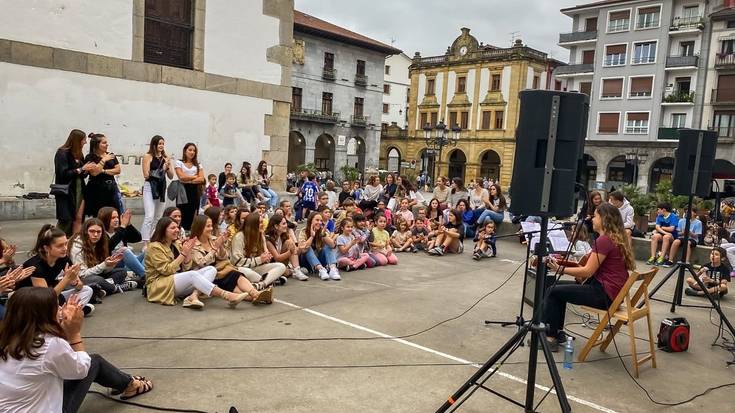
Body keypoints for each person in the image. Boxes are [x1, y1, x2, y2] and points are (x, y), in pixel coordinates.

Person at [0, 288, 154, 412]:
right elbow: (81, 370)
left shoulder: (8, 337)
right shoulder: (49, 344)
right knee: (94, 362)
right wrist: (74, 333)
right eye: (57, 307)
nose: (60, 309)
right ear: (45, 315)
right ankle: (131, 384)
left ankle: (128, 382)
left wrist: (61, 327)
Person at [545, 203, 635, 351]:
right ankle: (557, 332)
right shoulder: (616, 238)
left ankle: (550, 337)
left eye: (596, 216)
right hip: (612, 294)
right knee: (557, 288)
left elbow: (587, 271)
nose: (592, 219)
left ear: (604, 219)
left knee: (552, 290)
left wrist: (560, 268)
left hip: (603, 294)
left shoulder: (604, 240)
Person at [144, 217, 249, 308]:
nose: (177, 230)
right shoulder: (154, 247)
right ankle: (228, 296)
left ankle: (193, 296)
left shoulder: (176, 243)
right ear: (163, 230)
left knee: (211, 269)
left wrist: (187, 254)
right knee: (193, 275)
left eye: (177, 227)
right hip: (159, 285)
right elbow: (166, 270)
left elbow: (186, 268)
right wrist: (183, 254)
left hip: (176, 281)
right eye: (172, 228)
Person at [188, 215, 269, 305]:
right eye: (208, 226)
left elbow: (224, 257)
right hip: (205, 276)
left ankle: (255, 294)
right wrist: (215, 248)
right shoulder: (192, 244)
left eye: (211, 226)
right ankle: (254, 297)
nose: (211, 228)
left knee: (235, 275)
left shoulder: (213, 239)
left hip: (220, 272)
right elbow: (202, 263)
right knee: (229, 278)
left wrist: (221, 245)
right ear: (199, 227)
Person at [19, 225, 95, 315]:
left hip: (54, 297)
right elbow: (46, 298)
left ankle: (64, 313)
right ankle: (67, 313)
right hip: (33, 302)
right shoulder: (34, 266)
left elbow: (80, 287)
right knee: (49, 305)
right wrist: (66, 279)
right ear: (46, 248)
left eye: (66, 244)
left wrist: (74, 281)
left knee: (87, 290)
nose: (65, 248)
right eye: (60, 246)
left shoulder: (63, 258)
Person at [68, 218, 135, 297]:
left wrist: (110, 265)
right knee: (97, 280)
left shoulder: (101, 242)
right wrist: (104, 265)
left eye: (98, 232)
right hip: (80, 279)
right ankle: (115, 288)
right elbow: (82, 274)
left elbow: (103, 270)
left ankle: (101, 288)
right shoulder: (77, 246)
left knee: (121, 272)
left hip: (95, 274)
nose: (95, 235)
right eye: (92, 231)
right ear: (85, 231)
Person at [230, 213, 288, 289]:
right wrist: (260, 259)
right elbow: (237, 262)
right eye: (260, 222)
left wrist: (265, 253)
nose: (263, 224)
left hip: (256, 267)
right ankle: (269, 281)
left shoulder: (260, 235)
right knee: (249, 273)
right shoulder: (239, 237)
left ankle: (261, 284)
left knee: (281, 266)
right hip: (241, 268)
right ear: (253, 224)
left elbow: (264, 259)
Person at [54, 129, 94, 236]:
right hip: (67, 191)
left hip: (79, 189)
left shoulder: (78, 154)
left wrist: (86, 170)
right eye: (83, 140)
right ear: (77, 140)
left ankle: (75, 243)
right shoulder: (62, 153)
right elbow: (62, 174)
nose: (85, 142)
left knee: (79, 218)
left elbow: (82, 174)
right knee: (66, 219)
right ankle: (56, 240)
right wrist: (81, 169)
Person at [141, 135, 173, 244]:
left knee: (158, 217)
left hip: (161, 188)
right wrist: (161, 168)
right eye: (159, 143)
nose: (161, 146)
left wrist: (168, 166)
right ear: (154, 144)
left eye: (163, 144)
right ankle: (145, 242)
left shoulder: (165, 157)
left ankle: (153, 239)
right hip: (150, 187)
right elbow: (146, 175)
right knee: (149, 215)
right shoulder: (148, 156)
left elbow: (171, 176)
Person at [98, 207, 145, 280]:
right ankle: (144, 275)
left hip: (128, 263)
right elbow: (110, 245)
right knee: (124, 250)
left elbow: (137, 238)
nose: (116, 220)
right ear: (105, 219)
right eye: (113, 218)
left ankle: (141, 275)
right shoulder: (101, 234)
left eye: (117, 217)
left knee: (148, 250)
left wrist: (129, 224)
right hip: (113, 266)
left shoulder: (119, 231)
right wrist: (122, 226)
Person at [83, 133, 121, 218]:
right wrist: (103, 160)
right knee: (99, 214)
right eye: (104, 143)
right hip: (96, 188)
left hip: (111, 186)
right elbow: (94, 173)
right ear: (96, 144)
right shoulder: (90, 157)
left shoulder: (110, 155)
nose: (107, 144)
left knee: (114, 212)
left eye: (106, 142)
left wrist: (103, 171)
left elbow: (118, 170)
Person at [298, 212, 341, 280]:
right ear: (310, 220)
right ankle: (321, 270)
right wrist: (312, 236)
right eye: (317, 220)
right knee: (308, 247)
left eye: (321, 221)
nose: (320, 222)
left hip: (320, 259)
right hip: (306, 261)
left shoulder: (323, 231)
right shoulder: (304, 231)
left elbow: (333, 246)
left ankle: (333, 269)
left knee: (327, 246)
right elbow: (303, 249)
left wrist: (323, 235)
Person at [265, 214, 309, 281]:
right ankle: (292, 271)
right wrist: (290, 252)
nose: (286, 226)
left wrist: (300, 248)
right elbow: (277, 258)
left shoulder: (284, 235)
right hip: (272, 264)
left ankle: (297, 270)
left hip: (282, 262)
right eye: (284, 224)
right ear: (276, 226)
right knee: (285, 272)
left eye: (286, 223)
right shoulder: (268, 239)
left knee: (289, 242)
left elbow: (295, 251)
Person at [174, 143, 205, 231]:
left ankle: (191, 233)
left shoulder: (198, 164)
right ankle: (181, 232)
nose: (192, 152)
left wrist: (189, 180)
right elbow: (181, 177)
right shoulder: (179, 162)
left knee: (193, 212)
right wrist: (195, 177)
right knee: (182, 212)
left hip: (195, 191)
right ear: (185, 151)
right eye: (190, 150)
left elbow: (202, 179)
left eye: (194, 150)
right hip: (182, 191)